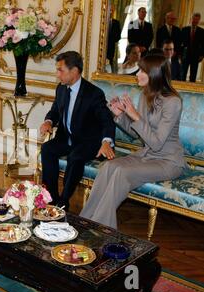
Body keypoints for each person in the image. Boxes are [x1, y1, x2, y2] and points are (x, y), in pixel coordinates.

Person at [80, 54, 186, 228]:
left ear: (154, 74)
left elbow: (157, 143)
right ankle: (84, 220)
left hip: (168, 161)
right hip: (146, 155)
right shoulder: (146, 96)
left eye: (142, 70)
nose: (137, 73)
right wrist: (120, 115)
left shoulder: (173, 102)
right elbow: (137, 134)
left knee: (121, 171)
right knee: (109, 166)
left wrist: (134, 114)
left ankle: (101, 229)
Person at [40, 51, 116, 211]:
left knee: (75, 156)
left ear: (74, 71)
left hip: (87, 141)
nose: (57, 74)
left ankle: (64, 201)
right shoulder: (61, 89)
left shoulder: (93, 94)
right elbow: (55, 110)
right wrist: (48, 121)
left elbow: (106, 120)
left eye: (60, 70)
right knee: (47, 149)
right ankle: (51, 197)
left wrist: (107, 142)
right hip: (66, 138)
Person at [181, 13, 204, 82]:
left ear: (199, 20)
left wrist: (202, 55)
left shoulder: (202, 31)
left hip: (196, 55)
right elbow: (180, 42)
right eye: (194, 19)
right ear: (191, 19)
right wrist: (180, 54)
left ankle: (191, 89)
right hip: (185, 54)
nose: (195, 21)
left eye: (197, 20)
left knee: (193, 74)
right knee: (183, 73)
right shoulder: (184, 29)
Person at [107, 5, 122, 73]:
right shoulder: (101, 22)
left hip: (111, 47)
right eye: (109, 10)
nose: (110, 12)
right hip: (100, 47)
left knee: (110, 63)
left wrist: (111, 40)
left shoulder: (116, 23)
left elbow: (118, 36)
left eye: (112, 11)